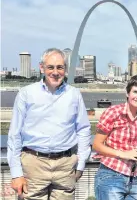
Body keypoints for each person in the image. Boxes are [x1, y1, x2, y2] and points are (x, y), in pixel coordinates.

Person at [7, 48, 91, 200]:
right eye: (50, 67)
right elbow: (15, 134)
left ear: (65, 69)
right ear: (42, 68)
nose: (55, 72)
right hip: (33, 164)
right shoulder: (26, 93)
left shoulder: (74, 94)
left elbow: (84, 129)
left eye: (60, 67)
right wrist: (16, 173)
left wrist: (80, 163)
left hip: (66, 165)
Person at [93, 75, 137, 200]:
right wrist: (124, 154)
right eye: (135, 92)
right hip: (110, 175)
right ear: (127, 93)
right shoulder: (113, 112)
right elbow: (97, 146)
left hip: (134, 178)